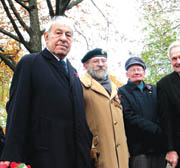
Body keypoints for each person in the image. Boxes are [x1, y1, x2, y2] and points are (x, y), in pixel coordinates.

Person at [0, 16, 93, 168]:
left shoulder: (74, 74)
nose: (63, 38)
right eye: (58, 33)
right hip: (42, 156)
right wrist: (11, 154)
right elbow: (17, 109)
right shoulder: (30, 63)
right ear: (46, 36)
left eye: (68, 35)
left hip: (75, 157)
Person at [80, 48, 129, 168]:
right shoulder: (80, 86)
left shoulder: (116, 88)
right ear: (86, 66)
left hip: (121, 155)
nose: (100, 64)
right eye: (96, 61)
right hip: (98, 153)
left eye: (103, 61)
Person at [118, 57, 166, 168]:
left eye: (139, 69)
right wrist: (154, 128)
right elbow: (128, 115)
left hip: (158, 147)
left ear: (144, 73)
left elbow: (163, 111)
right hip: (139, 148)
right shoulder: (122, 92)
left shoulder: (154, 89)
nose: (136, 72)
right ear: (127, 74)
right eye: (133, 70)